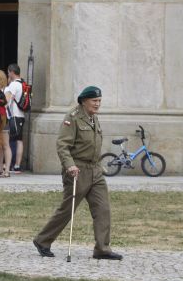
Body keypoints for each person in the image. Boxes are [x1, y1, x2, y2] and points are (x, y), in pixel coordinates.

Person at [33, 86, 123, 261]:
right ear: (84, 101)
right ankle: (42, 240)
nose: (97, 104)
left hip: (95, 171)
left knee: (103, 209)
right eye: (94, 101)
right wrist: (70, 166)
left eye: (99, 101)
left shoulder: (93, 118)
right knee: (67, 210)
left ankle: (102, 249)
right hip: (77, 171)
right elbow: (62, 145)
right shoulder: (72, 118)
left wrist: (99, 166)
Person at [5, 63, 26, 173]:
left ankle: (11, 164)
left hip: (14, 116)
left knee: (11, 141)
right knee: (19, 140)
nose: (8, 74)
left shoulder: (13, 85)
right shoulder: (23, 83)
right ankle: (17, 165)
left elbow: (7, 100)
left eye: (8, 72)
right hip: (21, 115)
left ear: (12, 72)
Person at [0, 69, 12, 177]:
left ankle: (7, 169)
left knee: (5, 145)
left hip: (4, 118)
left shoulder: (7, 90)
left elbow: (5, 103)